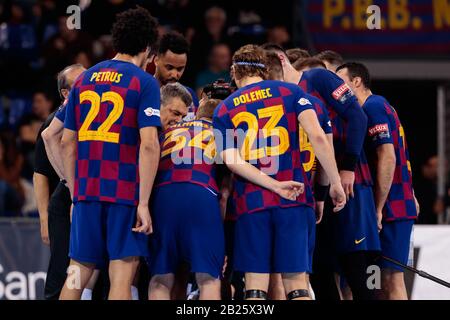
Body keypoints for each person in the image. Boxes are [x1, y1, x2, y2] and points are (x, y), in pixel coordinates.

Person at [213, 44, 346, 300]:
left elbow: (231, 161)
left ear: (233, 71)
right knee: (297, 287)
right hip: (295, 198)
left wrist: (272, 185)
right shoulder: (292, 92)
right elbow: (318, 137)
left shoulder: (223, 109)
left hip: (251, 203)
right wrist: (334, 184)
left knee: (255, 290)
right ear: (264, 71)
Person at [262, 43, 379, 300]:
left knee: (358, 271)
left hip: (347, 185)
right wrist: (319, 193)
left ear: (281, 61)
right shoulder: (279, 96)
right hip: (314, 191)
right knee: (322, 268)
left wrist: (348, 168)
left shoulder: (318, 77)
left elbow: (358, 117)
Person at [58, 7, 160, 300]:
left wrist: (76, 193)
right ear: (147, 48)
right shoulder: (144, 82)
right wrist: (143, 202)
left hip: (87, 191)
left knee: (77, 272)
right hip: (124, 192)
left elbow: (67, 142)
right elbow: (150, 144)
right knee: (121, 274)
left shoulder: (85, 78)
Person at [337, 62, 419, 300]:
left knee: (391, 281)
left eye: (340, 81)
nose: (337, 89)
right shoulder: (380, 106)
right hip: (394, 203)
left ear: (356, 81)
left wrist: (378, 209)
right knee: (375, 283)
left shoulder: (372, 107)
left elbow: (388, 155)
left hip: (391, 207)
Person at [149, 97, 224, 300]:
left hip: (163, 195)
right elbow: (226, 191)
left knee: (160, 278)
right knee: (208, 278)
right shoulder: (222, 133)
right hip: (201, 194)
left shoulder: (165, 131)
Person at [39, 64, 87, 300]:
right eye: (81, 81)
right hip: (69, 198)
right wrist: (70, 183)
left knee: (80, 268)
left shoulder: (85, 109)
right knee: (65, 270)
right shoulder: (58, 117)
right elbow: (40, 171)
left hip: (76, 193)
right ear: (66, 94)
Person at [153, 31, 199, 118]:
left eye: (180, 69)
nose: (174, 74)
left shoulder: (191, 96)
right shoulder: (144, 92)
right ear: (156, 60)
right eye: (169, 67)